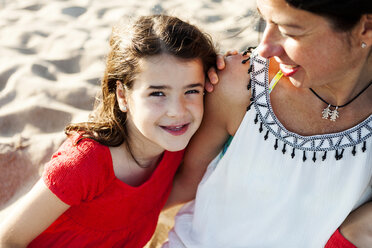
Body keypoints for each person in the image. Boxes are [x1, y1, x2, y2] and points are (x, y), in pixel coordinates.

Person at [164, 0, 372, 247]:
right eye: (265, 20)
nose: (265, 48)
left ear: (366, 28)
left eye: (289, 31)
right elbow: (179, 186)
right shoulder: (240, 85)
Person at [0, 14, 216, 248]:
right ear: (122, 95)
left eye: (191, 91)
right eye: (157, 93)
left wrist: (222, 74)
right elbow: (9, 239)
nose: (177, 110)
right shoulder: (83, 164)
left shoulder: (173, 143)